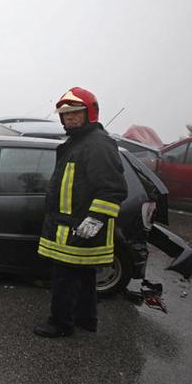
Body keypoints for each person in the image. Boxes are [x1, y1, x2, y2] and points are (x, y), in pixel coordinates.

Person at [33, 87, 127, 338]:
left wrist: (96, 217)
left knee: (64, 280)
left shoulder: (96, 145)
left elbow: (113, 188)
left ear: (89, 114)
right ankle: (86, 320)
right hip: (70, 227)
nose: (70, 118)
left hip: (76, 229)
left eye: (75, 113)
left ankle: (60, 324)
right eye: (65, 114)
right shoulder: (79, 142)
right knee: (84, 278)